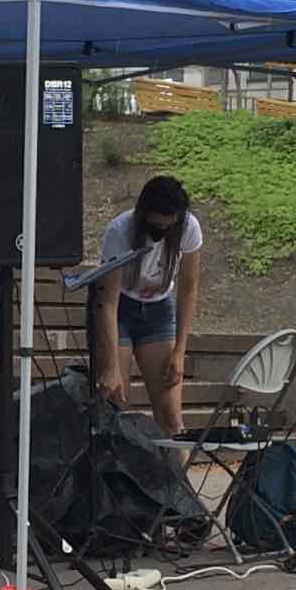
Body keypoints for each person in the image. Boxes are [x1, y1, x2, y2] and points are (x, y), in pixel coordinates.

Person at [93, 176, 202, 437]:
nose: (161, 231)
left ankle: (176, 478)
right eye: (155, 225)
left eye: (167, 226)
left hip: (159, 310)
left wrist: (179, 350)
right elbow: (107, 302)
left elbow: (189, 288)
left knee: (171, 416)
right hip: (120, 308)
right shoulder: (120, 231)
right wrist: (110, 366)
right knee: (116, 403)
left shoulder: (189, 227)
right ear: (143, 214)